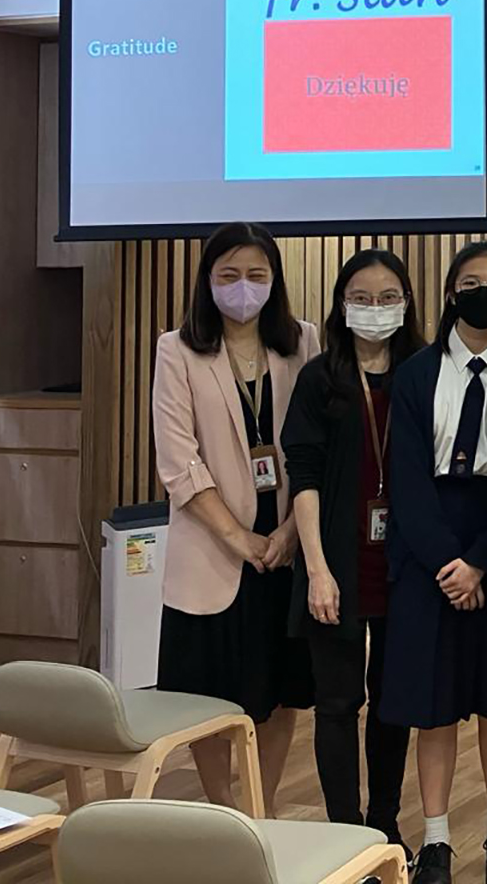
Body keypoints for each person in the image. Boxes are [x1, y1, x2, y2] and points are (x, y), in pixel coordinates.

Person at [152, 222, 319, 813]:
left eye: (256, 275)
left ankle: (261, 807)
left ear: (274, 281)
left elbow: (315, 447)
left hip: (288, 548)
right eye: (228, 275)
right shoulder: (177, 349)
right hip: (213, 553)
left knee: (282, 691)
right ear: (207, 281)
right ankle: (224, 810)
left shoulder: (303, 342)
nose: (242, 288)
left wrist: (289, 535)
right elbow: (178, 460)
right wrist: (239, 537)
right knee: (209, 695)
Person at [383, 241, 487, 884]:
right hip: (429, 546)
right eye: (471, 283)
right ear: (448, 294)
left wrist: (482, 562)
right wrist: (450, 564)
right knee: (433, 705)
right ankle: (436, 840)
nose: (484, 293)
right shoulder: (416, 372)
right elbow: (406, 480)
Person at [283, 248, 425, 849]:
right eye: (361, 298)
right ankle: (343, 831)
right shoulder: (321, 377)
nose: (375, 309)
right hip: (335, 558)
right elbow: (304, 476)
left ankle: (385, 821)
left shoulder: (422, 369)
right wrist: (316, 568)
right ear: (342, 305)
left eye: (388, 297)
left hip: (405, 560)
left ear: (407, 303)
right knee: (337, 701)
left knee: (393, 700)